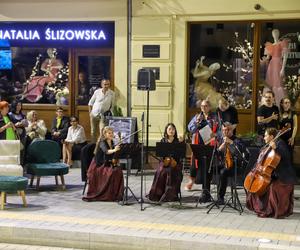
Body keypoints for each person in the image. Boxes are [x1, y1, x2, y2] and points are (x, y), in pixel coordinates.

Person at [246, 128, 297, 218]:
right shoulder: (269, 144)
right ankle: (259, 207)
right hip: (274, 174)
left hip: (284, 176)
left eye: (266, 135)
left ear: (272, 136)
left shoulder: (280, 144)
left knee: (272, 187)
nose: (264, 137)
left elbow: (286, 156)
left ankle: (271, 210)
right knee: (257, 185)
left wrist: (275, 148)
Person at [185, 100, 218, 203]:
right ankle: (191, 181)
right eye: (202, 106)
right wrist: (196, 122)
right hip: (198, 145)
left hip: (209, 145)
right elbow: (190, 128)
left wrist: (214, 134)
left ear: (209, 107)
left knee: (206, 169)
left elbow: (218, 131)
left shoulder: (214, 118)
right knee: (194, 165)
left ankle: (206, 191)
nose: (204, 108)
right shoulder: (197, 116)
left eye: (206, 106)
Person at [83, 126, 124, 201]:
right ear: (104, 134)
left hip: (107, 163)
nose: (111, 134)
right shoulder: (102, 142)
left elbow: (113, 154)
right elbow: (106, 151)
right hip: (99, 165)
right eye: (109, 133)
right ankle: (107, 194)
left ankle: (115, 193)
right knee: (112, 172)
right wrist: (114, 150)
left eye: (112, 133)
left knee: (118, 171)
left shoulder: (111, 141)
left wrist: (118, 146)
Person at [148, 123, 183, 202]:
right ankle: (158, 193)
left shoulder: (178, 141)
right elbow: (161, 155)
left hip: (175, 162)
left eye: (173, 129)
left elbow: (180, 154)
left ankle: (170, 195)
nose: (171, 131)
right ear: (166, 131)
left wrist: (182, 142)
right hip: (165, 162)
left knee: (171, 171)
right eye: (169, 129)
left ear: (175, 131)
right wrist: (164, 160)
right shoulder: (163, 140)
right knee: (161, 170)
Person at [216, 123, 247, 205]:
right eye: (223, 130)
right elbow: (217, 155)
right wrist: (219, 149)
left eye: (227, 130)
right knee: (211, 168)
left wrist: (231, 142)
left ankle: (220, 197)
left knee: (223, 172)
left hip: (236, 166)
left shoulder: (237, 140)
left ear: (232, 130)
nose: (225, 132)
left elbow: (241, 151)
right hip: (225, 164)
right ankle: (206, 194)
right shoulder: (221, 140)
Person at [264, 29, 289, 105]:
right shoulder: (270, 45)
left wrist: (283, 68)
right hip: (272, 65)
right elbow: (267, 58)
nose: (275, 34)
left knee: (278, 83)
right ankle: (271, 102)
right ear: (272, 35)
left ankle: (279, 103)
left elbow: (285, 56)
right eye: (274, 33)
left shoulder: (282, 43)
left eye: (276, 33)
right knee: (271, 83)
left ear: (279, 34)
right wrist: (261, 61)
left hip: (278, 64)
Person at [88, 79, 115, 143]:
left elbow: (112, 105)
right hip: (94, 114)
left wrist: (110, 114)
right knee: (93, 131)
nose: (106, 86)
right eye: (105, 84)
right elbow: (90, 103)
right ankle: (93, 145)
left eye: (108, 84)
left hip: (103, 116)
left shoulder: (112, 93)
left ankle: (101, 147)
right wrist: (90, 113)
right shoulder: (97, 92)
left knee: (102, 131)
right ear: (101, 84)